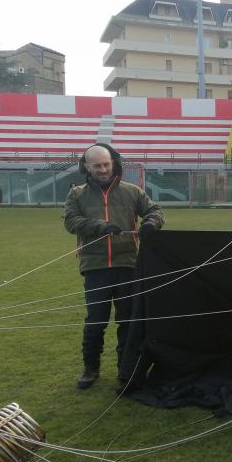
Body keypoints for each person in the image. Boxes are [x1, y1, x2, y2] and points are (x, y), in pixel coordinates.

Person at [63, 143, 164, 390]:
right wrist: (99, 226)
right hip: (95, 266)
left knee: (127, 321)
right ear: (86, 166)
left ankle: (126, 369)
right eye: (97, 165)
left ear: (113, 162)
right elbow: (71, 221)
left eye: (106, 163)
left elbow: (156, 212)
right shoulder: (77, 194)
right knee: (95, 321)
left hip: (128, 264)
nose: (103, 169)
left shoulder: (132, 191)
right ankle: (91, 368)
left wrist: (151, 223)